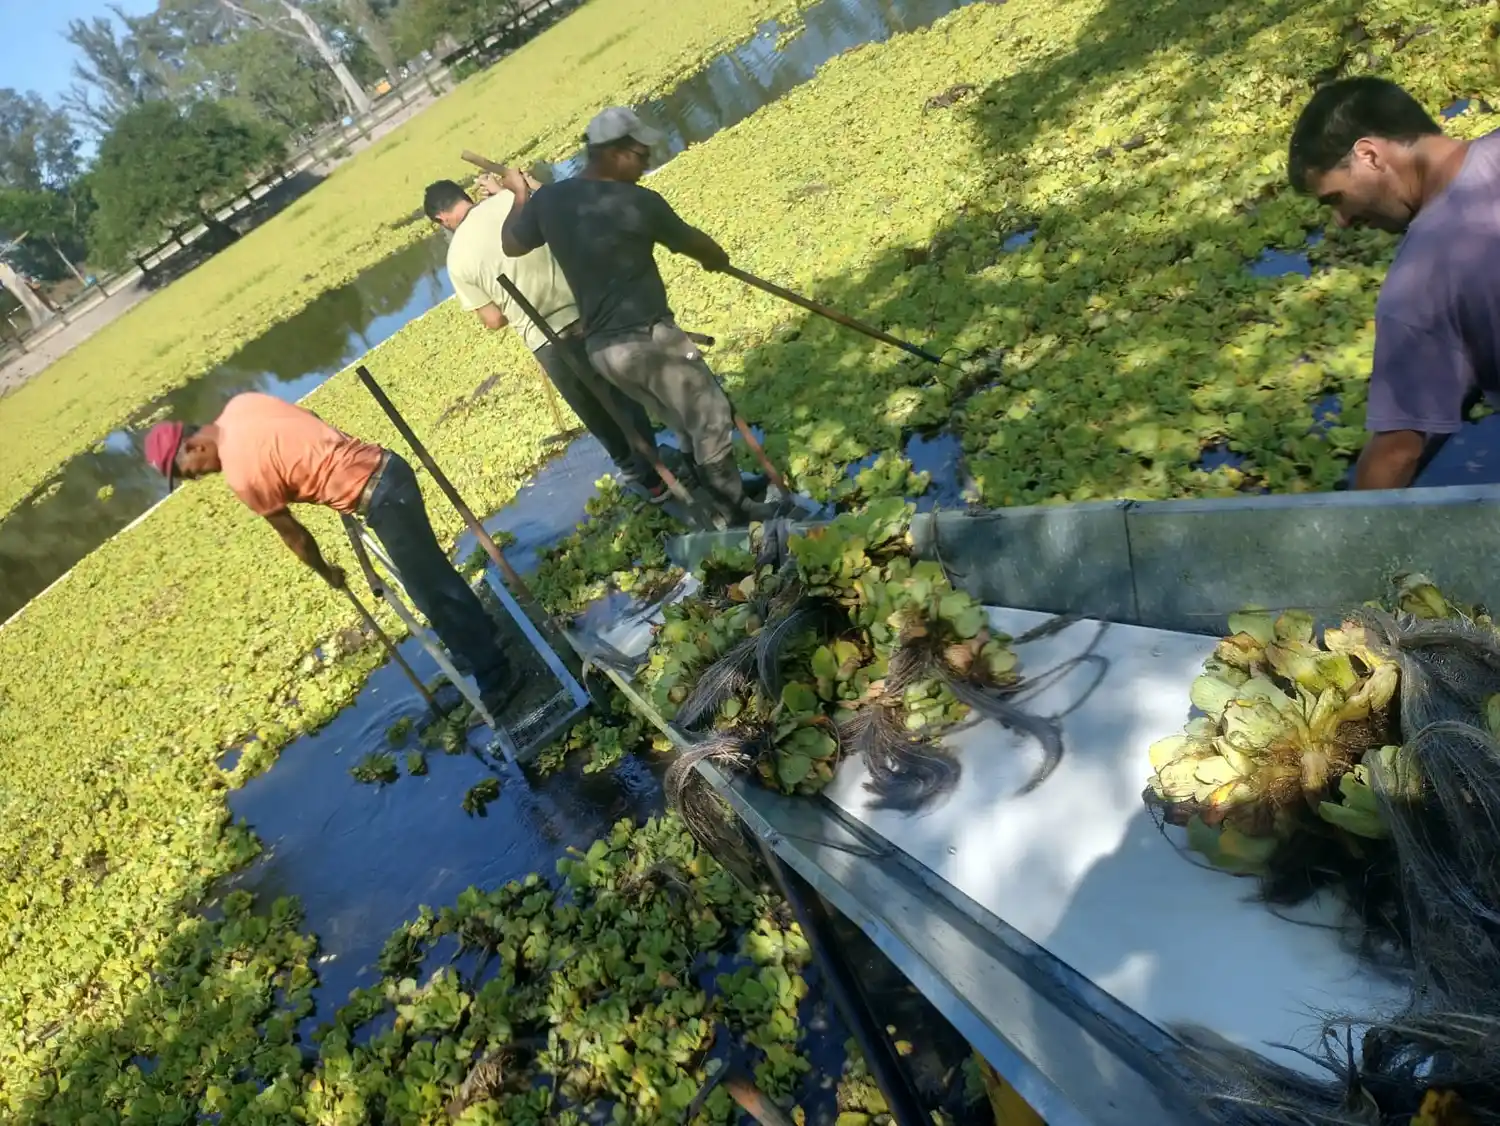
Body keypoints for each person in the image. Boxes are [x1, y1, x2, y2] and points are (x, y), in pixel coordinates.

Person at [143, 392, 519, 714]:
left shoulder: (242, 475)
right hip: (388, 468)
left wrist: (327, 572)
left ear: (192, 447)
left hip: (382, 496)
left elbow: (296, 538)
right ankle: (484, 636)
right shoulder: (242, 404)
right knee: (429, 577)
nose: (197, 477)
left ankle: (498, 676)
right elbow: (309, 420)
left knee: (432, 592)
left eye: (190, 473)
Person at [498, 106, 774, 524]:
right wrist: (716, 258)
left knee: (682, 422)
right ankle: (737, 511)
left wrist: (519, 194)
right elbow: (695, 244)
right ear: (615, 153)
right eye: (641, 155)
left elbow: (512, 244)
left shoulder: (550, 200)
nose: (646, 164)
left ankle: (723, 496)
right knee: (711, 413)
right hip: (648, 339)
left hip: (604, 353)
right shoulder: (638, 203)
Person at [1288, 76, 1500, 490]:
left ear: (1369, 155)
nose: (1342, 220)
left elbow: (1398, 451)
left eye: (1334, 198)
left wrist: (1350, 528)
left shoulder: (1419, 284)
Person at [422, 173, 669, 503]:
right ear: (464, 196)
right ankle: (656, 465)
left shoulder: (456, 258)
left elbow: (493, 320)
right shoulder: (514, 199)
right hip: (588, 308)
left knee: (593, 408)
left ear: (441, 219)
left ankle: (643, 477)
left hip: (546, 340)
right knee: (623, 392)